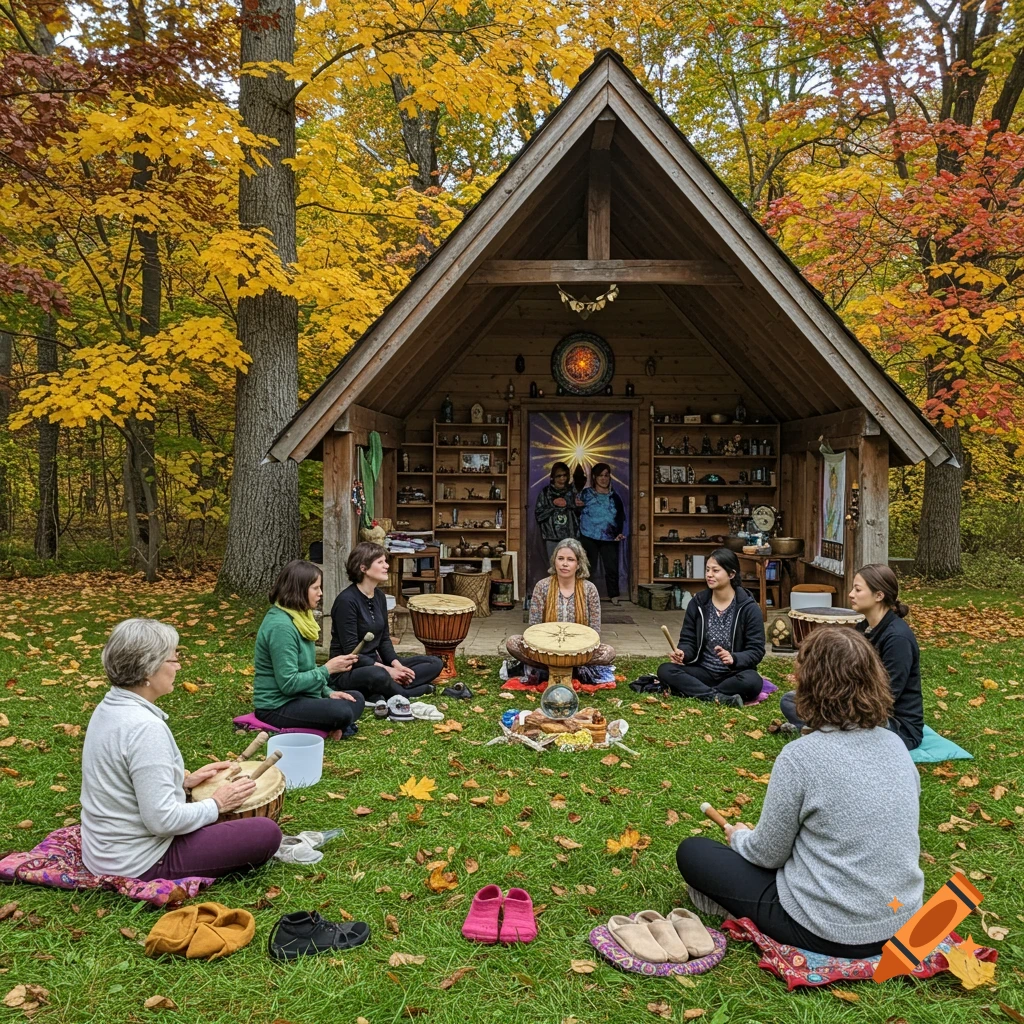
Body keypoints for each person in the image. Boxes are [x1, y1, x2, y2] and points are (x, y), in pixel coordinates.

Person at [675, 627, 924, 957]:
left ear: (809, 683)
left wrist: (738, 836)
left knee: (693, 852)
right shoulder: (896, 745)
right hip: (902, 919)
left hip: (827, 928)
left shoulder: (802, 755)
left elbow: (768, 855)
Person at [80, 618, 282, 881]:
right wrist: (217, 803)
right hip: (138, 863)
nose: (179, 666)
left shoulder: (110, 706)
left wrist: (184, 784)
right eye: (172, 660)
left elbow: (125, 782)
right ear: (147, 669)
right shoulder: (144, 728)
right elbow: (162, 822)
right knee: (266, 833)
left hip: (102, 853)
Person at [780, 563, 924, 748]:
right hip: (856, 706)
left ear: (879, 595)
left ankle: (820, 731)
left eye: (858, 589)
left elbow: (887, 696)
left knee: (830, 713)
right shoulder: (864, 627)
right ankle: (825, 731)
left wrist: (840, 706)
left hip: (893, 724)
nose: (850, 594)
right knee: (790, 700)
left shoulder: (898, 638)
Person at [253, 559, 365, 740]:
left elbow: (307, 670)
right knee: (342, 711)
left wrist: (329, 693)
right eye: (315, 588)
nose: (320, 593)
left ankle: (334, 726)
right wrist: (327, 669)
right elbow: (289, 684)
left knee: (356, 698)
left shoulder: (302, 619)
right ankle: (335, 725)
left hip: (302, 697)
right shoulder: (281, 626)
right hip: (276, 706)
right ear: (298, 589)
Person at [329, 542, 442, 700]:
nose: (386, 566)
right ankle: (406, 691)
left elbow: (384, 639)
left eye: (385, 561)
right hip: (350, 670)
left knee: (434, 663)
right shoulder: (346, 601)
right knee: (378, 674)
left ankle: (383, 690)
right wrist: (388, 671)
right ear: (363, 568)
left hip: (378, 665)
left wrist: (396, 665)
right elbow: (352, 653)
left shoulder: (379, 597)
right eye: (380, 562)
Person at [656, 548, 764, 708]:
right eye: (707, 570)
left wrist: (735, 658)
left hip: (734, 674)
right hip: (703, 671)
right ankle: (717, 697)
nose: (709, 575)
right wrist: (683, 653)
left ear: (731, 574)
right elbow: (688, 640)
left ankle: (698, 692)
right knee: (665, 670)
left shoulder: (748, 608)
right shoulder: (698, 603)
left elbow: (756, 650)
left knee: (753, 681)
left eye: (715, 570)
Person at [505, 538, 615, 674]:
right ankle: (561, 668)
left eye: (570, 559)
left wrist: (580, 649)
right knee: (513, 642)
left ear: (579, 564)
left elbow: (595, 631)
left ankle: (563, 667)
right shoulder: (542, 586)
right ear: (554, 561)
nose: (564, 564)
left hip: (579, 649)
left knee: (608, 652)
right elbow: (533, 627)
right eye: (560, 558)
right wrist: (544, 647)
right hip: (547, 649)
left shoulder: (589, 589)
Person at [579, 463, 626, 605]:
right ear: (595, 477)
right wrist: (587, 477)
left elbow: (620, 516)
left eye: (606, 475)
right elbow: (576, 505)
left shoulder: (615, 497)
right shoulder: (586, 494)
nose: (603, 478)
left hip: (609, 537)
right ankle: (583, 596)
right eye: (600, 475)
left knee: (611, 567)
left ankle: (614, 595)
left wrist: (619, 532)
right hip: (588, 535)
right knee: (587, 567)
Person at [535, 461, 581, 561]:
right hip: (552, 537)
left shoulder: (573, 491)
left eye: (564, 475)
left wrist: (569, 504)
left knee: (571, 566)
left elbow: (580, 512)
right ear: (553, 477)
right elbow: (539, 515)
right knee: (554, 567)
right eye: (559, 476)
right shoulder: (546, 492)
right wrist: (553, 505)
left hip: (571, 537)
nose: (562, 478)